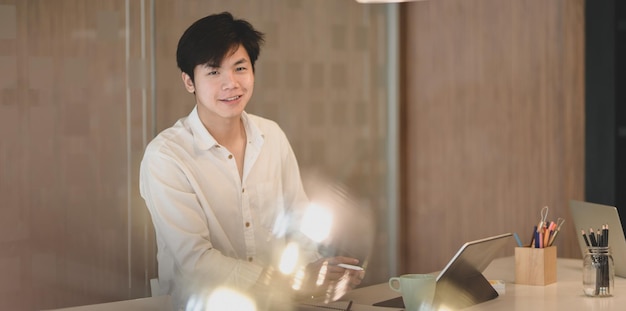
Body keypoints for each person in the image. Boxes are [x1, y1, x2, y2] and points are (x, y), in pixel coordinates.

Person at [139, 12, 362, 310]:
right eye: (214, 72)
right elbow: (196, 260)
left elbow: (298, 221)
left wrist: (321, 271)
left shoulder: (271, 135)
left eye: (240, 68)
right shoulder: (165, 156)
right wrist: (290, 280)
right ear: (189, 81)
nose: (231, 83)